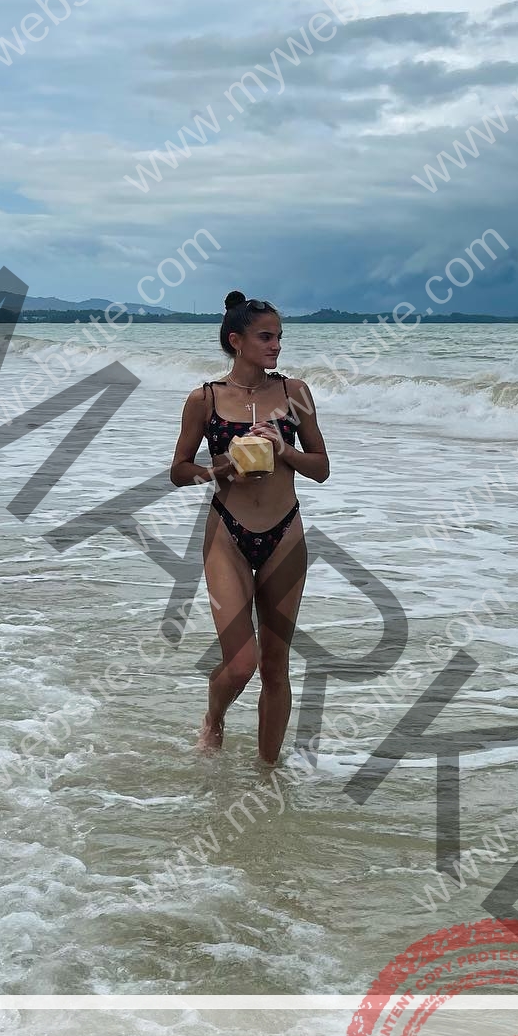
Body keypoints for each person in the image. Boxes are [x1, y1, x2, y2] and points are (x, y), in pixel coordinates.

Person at [170, 290, 330, 759]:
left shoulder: (294, 393)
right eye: (265, 337)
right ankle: (214, 716)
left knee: (276, 669)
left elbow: (320, 467)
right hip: (228, 534)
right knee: (241, 665)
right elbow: (178, 471)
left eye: (279, 337)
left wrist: (283, 450)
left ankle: (267, 775)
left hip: (285, 531)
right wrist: (222, 468)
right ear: (236, 340)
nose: (276, 345)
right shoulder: (204, 399)